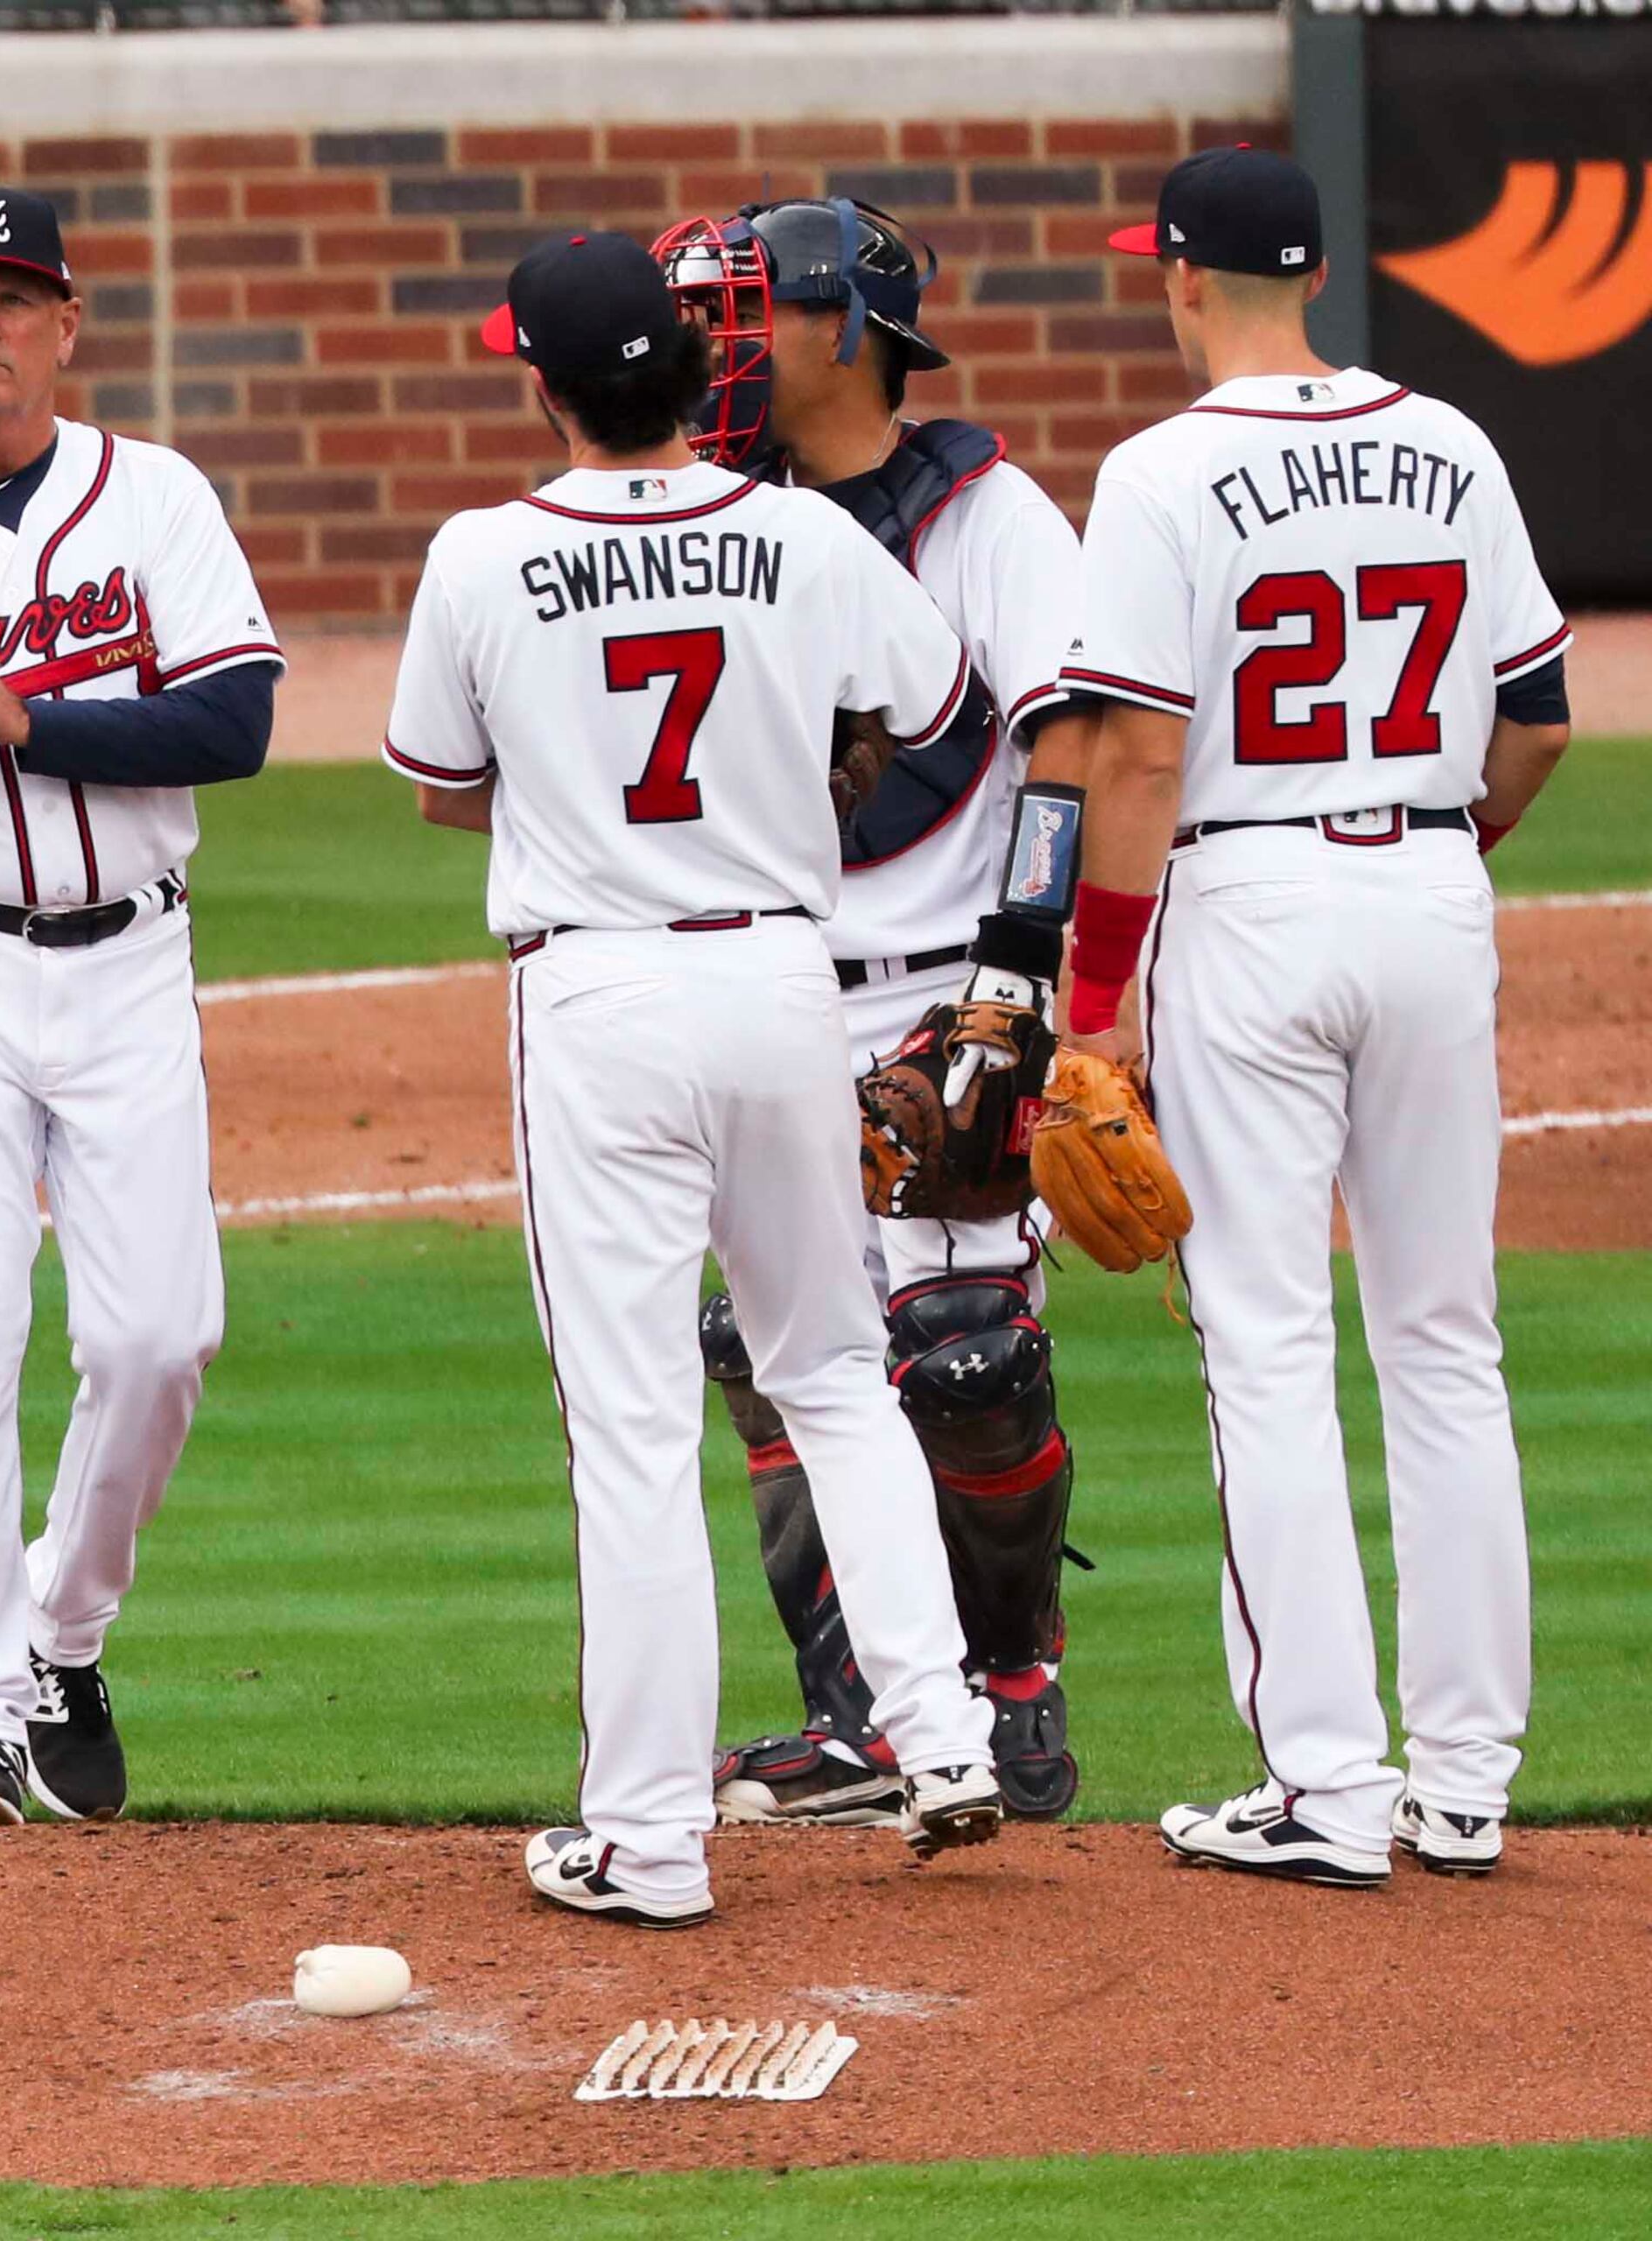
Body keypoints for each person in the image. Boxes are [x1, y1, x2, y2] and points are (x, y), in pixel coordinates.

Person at [383, 232, 1004, 1928]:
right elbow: (941, 703)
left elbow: (443, 785)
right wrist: (806, 749)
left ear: (543, 381)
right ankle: (942, 1735)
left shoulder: (487, 552)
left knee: (637, 1417)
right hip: (783, 975)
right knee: (838, 1364)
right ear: (681, 365)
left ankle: (649, 1838)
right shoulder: (796, 528)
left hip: (603, 991)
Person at [1058, 147, 1571, 1887]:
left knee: (1268, 1346)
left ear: (1183, 280)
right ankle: (1471, 1780)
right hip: (1432, 894)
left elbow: (1132, 753)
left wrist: (1096, 999)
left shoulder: (1158, 473)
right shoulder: (1454, 442)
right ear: (1318, 276)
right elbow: (1543, 718)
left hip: (1250, 904)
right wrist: (1442, 849)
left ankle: (1330, 1789)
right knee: (1445, 1338)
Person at [0, 186, 283, 1830]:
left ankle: (62, 1629)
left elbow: (235, 721)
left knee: (161, 1338)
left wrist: (29, 716)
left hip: (128, 958)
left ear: (66, 328)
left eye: (15, 302)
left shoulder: (151, 497)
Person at [656, 197, 1098, 1826]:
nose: (716, 350)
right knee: (765, 1355)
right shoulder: (711, 515)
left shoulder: (985, 515)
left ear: (846, 329)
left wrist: (1020, 968)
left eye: (745, 318)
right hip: (768, 989)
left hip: (941, 1000)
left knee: (968, 1363)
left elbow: (1067, 737)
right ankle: (859, 1715)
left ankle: (1015, 1689)